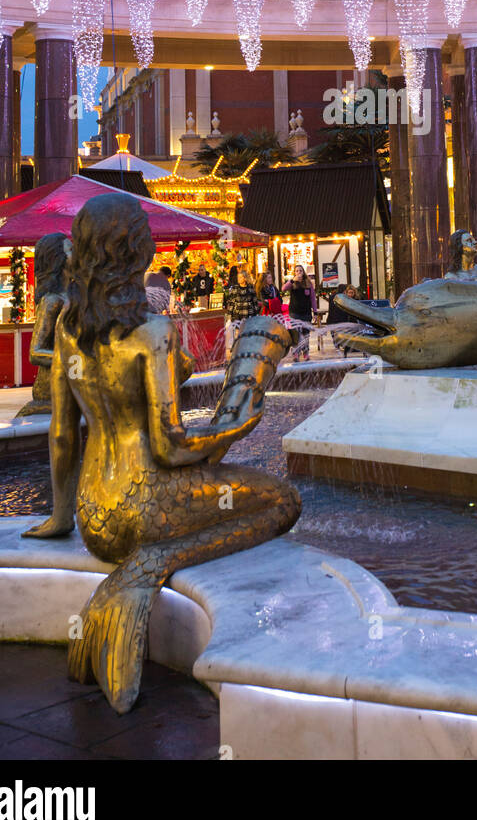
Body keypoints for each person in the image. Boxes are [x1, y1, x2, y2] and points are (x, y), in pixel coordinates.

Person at [22, 191, 300, 714]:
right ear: (135, 252)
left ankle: (139, 557)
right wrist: (237, 423)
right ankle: (151, 565)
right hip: (147, 508)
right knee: (283, 500)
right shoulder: (153, 332)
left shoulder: (67, 327)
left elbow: (62, 433)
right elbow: (171, 449)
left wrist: (61, 519)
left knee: (216, 475)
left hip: (94, 515)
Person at [18, 232, 71, 417]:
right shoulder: (52, 300)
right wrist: (73, 358)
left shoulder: (72, 295)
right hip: (52, 386)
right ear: (58, 259)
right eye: (71, 250)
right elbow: (35, 352)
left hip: (72, 379)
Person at [283, 263, 317, 361]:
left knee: (306, 334)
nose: (299, 272)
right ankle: (296, 353)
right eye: (297, 271)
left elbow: (313, 299)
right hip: (294, 312)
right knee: (296, 334)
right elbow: (283, 289)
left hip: (306, 313)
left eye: (300, 271)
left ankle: (306, 353)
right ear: (294, 273)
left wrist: (315, 312)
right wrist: (292, 280)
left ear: (303, 272)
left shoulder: (308, 283)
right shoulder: (292, 283)